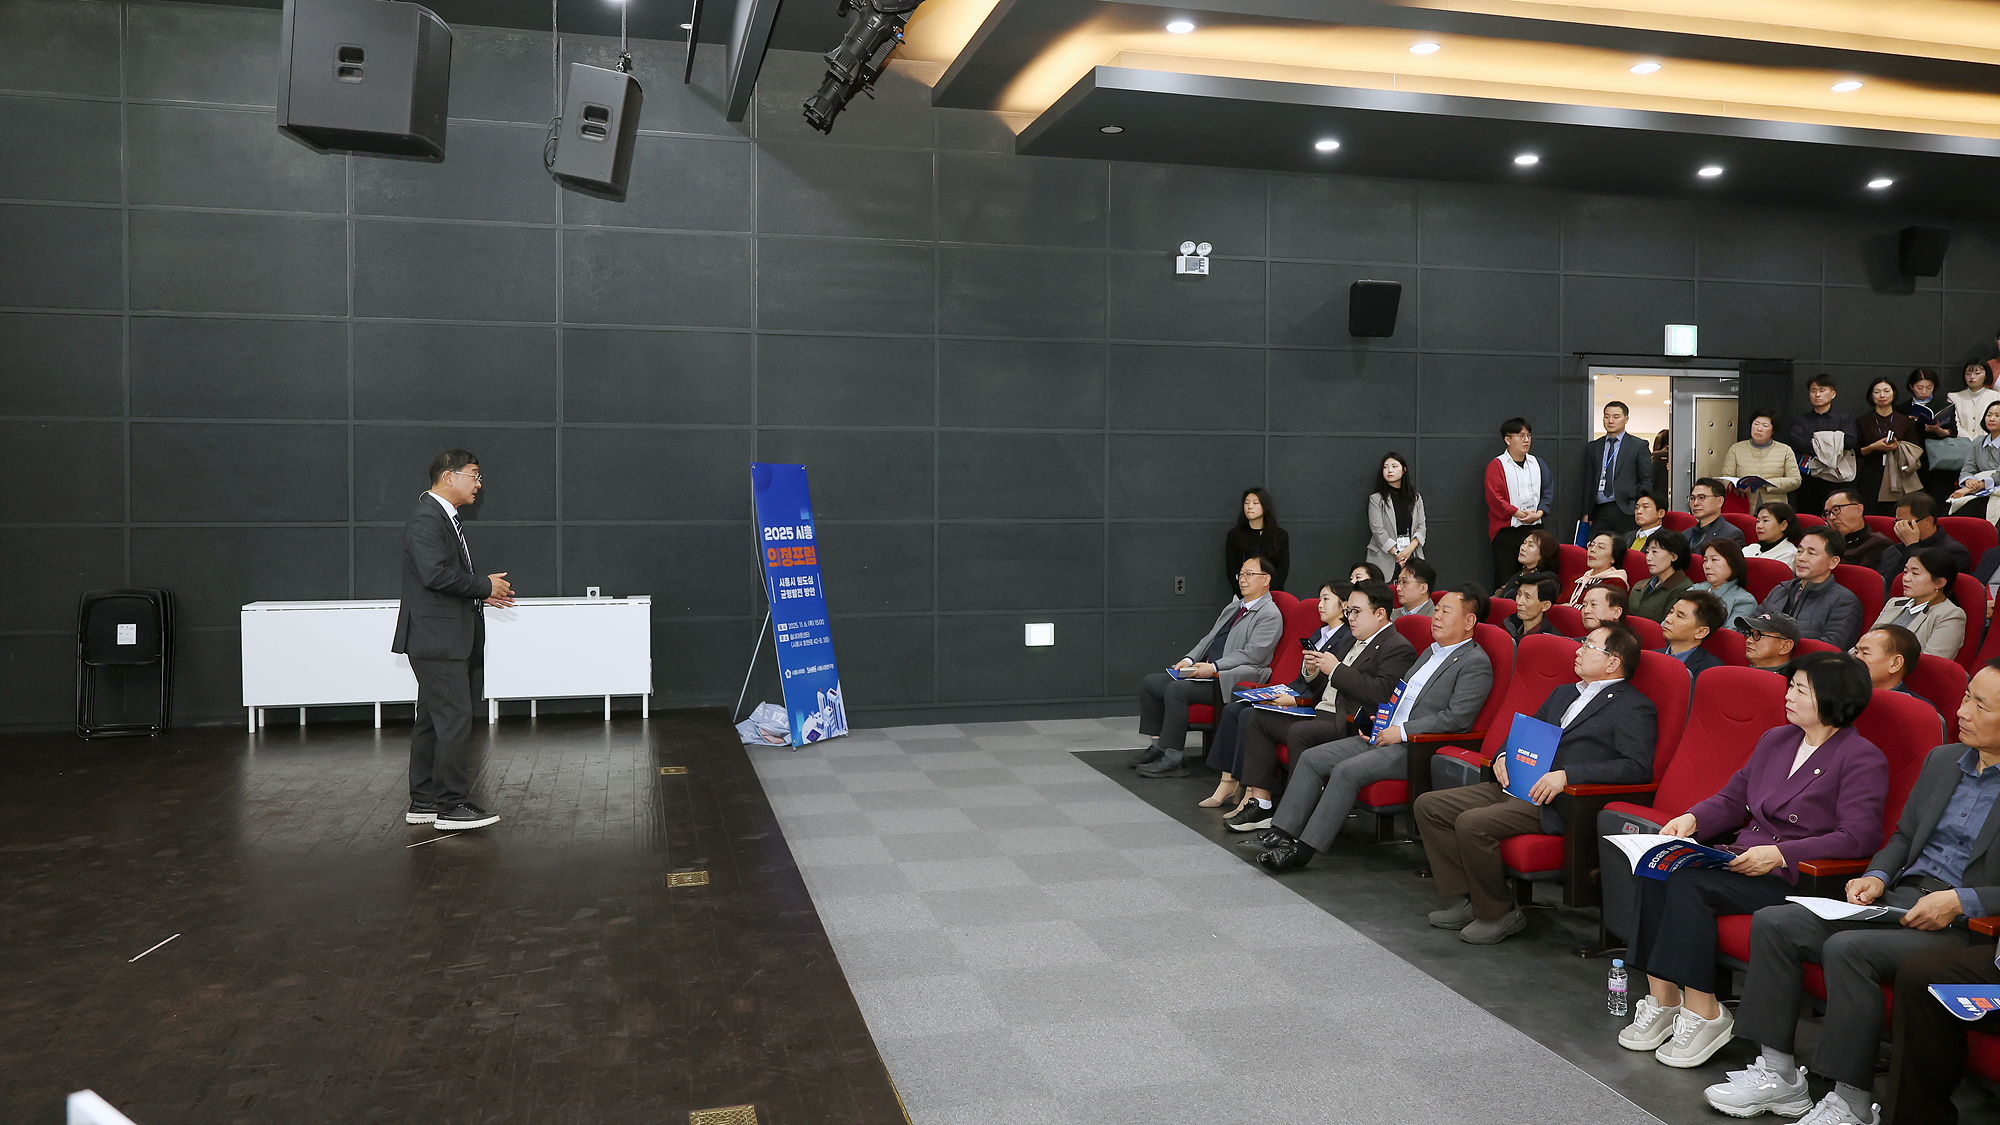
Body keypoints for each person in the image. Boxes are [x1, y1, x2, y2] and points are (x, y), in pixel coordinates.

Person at [1701, 662, 2000, 1125]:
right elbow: (1903, 836)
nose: (1962, 712)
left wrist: (1964, 901)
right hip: (1901, 897)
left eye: (1981, 706)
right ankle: (1778, 1074)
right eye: (1965, 698)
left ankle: (1851, 1101)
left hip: (1964, 923)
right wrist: (1877, 875)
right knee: (1777, 922)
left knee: (1848, 949)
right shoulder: (1943, 761)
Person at [1615, 653, 1885, 1072]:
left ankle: (1705, 1012)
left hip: (1796, 877)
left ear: (1834, 698)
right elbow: (1732, 798)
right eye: (1790, 686)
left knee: (1688, 884)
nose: (1788, 695)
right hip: (1744, 859)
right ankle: (1664, 999)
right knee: (1658, 866)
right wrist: (1692, 820)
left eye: (1801, 690)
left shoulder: (1860, 756)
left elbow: (1858, 836)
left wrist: (1781, 853)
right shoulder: (1777, 739)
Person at [1415, 624, 1657, 944]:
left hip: (1555, 801)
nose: (1578, 650)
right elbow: (1526, 734)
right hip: (1518, 784)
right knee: (1429, 805)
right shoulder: (1564, 693)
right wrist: (1503, 755)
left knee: (1472, 823)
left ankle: (1499, 912)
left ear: (1613, 662)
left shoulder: (1633, 706)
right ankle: (1470, 899)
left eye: (1589, 646)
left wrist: (1569, 774)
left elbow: (1636, 767)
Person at [1251, 586, 1493, 870]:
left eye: (1445, 611)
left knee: (1345, 771)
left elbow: (1456, 718)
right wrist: (1379, 723)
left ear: (1469, 621)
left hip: (1415, 747)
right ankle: (1282, 832)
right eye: (1436, 609)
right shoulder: (1430, 652)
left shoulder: (1475, 662)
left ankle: (1302, 851)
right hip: (1384, 734)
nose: (1436, 616)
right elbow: (1398, 696)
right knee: (1311, 758)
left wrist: (1401, 731)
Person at [1216, 582, 1418, 824]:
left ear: (1380, 613)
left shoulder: (1397, 647)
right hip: (1320, 711)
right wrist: (1313, 671)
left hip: (1349, 720)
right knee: (1256, 718)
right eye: (1349, 611)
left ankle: (1296, 815)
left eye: (1356, 612)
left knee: (1300, 732)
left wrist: (1336, 669)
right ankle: (1261, 802)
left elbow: (1382, 693)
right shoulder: (1351, 640)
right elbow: (1325, 685)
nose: (1350, 618)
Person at [392, 449, 513, 831]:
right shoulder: (427, 518)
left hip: (438, 637)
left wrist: (480, 592)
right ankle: (450, 805)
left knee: (433, 720)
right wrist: (482, 586)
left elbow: (440, 578)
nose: (479, 484)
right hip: (437, 639)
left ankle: (425, 801)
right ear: (449, 476)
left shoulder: (440, 517)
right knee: (454, 720)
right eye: (474, 475)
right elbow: (435, 574)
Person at [1195, 581, 1353, 804]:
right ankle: (1228, 781)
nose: (1320, 604)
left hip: (1310, 703)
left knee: (1249, 715)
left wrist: (1297, 699)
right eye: (1319, 599)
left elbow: (1329, 685)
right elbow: (1302, 676)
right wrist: (1283, 690)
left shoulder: (1347, 638)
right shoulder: (1319, 633)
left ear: (1344, 605)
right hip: (1296, 690)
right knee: (1233, 709)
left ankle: (1250, 791)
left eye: (1326, 599)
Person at [1132, 557, 1283, 774]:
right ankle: (1158, 747)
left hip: (1231, 677)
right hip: (1208, 671)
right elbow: (1209, 639)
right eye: (1241, 574)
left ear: (1266, 579)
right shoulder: (1234, 607)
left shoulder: (1270, 614)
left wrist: (1214, 668)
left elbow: (1253, 655)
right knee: (1151, 684)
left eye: (1249, 574)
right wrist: (1189, 660)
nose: (1243, 580)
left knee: (1176, 690)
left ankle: (1174, 758)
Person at [1757, 527, 1865, 650]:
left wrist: (1776, 647)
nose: (1801, 558)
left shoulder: (1844, 601)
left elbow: (1833, 646)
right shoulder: (1781, 590)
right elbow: (1748, 626)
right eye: (1799, 551)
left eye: (1811, 553)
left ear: (1833, 562)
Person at [1485, 417, 1553, 588]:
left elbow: (1548, 490)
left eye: (1528, 435)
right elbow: (1495, 498)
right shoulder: (1497, 465)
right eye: (1521, 436)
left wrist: (1539, 513)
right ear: (1507, 440)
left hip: (1535, 529)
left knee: (1537, 579)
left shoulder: (1537, 463)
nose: (1526, 440)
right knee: (1505, 579)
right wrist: (1518, 513)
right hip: (1507, 531)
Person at [1875, 548, 1968, 660]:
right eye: (1905, 572)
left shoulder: (1950, 615)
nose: (1906, 578)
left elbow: (1931, 662)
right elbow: (1867, 641)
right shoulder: (1894, 603)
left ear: (1939, 582)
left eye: (1915, 573)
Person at [1790, 373, 1858, 521]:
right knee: (1809, 519)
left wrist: (1817, 442)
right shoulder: (1801, 420)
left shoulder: (1844, 418)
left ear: (1833, 394)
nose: (1817, 394)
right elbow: (1797, 443)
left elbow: (1850, 442)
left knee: (1839, 518)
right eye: (1813, 391)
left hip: (1837, 477)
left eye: (1822, 390)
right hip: (1809, 478)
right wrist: (1834, 441)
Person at [1585, 400, 1654, 535]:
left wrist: (1640, 507)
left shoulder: (1638, 445)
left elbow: (1646, 480)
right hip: (1599, 510)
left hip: (1627, 509)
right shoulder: (1593, 447)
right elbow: (1588, 481)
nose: (1610, 421)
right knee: (1594, 543)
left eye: (1616, 417)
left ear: (1626, 419)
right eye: (1606, 416)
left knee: (1626, 546)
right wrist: (1586, 512)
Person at [1855, 377, 1922, 517]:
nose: (1882, 395)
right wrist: (1874, 446)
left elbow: (1915, 447)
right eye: (1877, 392)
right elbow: (1857, 451)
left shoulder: (1905, 421)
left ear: (1894, 393)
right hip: (1872, 475)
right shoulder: (1863, 421)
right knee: (1872, 514)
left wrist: (1899, 446)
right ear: (1871, 395)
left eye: (1886, 391)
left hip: (1900, 474)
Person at [1877, 491, 1968, 579]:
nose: (1899, 527)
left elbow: (1932, 583)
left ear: (1928, 522)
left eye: (1905, 523)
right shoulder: (1893, 551)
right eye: (1897, 522)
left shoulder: (1954, 552)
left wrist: (1911, 546)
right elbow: (1884, 583)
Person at [1721, 411, 1801, 509]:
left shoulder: (1785, 450)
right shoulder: (1736, 449)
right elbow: (1726, 478)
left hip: (1775, 506)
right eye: (1756, 424)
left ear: (1773, 430)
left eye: (1765, 426)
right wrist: (1737, 486)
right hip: (1744, 504)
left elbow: (1795, 480)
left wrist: (1768, 484)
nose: (1759, 429)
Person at [1366, 453, 1426, 580]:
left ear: (1403, 470)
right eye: (1385, 467)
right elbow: (1378, 530)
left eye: (1394, 466)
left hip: (1411, 554)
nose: (1389, 470)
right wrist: (1398, 553)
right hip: (1384, 557)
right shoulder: (1376, 499)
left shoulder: (1415, 498)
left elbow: (1421, 527)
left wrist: (1408, 550)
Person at [1907, 367, 1957, 507]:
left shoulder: (1944, 406)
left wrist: (1937, 429)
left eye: (1929, 388)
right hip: (1913, 459)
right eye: (1920, 388)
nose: (1924, 392)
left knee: (1938, 500)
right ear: (1911, 386)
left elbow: (1952, 433)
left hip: (1939, 460)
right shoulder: (1903, 408)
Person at [1225, 488, 1289, 594]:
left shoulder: (1279, 535)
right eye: (1246, 503)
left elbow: (1282, 568)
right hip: (1243, 594)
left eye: (1255, 503)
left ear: (1265, 506)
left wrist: (1266, 593)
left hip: (1272, 594)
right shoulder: (1234, 535)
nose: (1250, 507)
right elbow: (1232, 568)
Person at [1630, 531, 1696, 622]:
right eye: (1647, 552)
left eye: (1654, 551)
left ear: (1674, 556)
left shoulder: (1684, 589)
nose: (1648, 558)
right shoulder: (1640, 586)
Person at [1822, 486, 1892, 570]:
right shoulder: (1825, 542)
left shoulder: (1877, 544)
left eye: (1836, 510)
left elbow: (1863, 576)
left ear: (1859, 509)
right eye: (1827, 514)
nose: (1831, 517)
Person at [1660, 591, 1726, 676]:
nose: (1668, 619)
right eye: (1671, 612)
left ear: (1701, 632)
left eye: (1679, 616)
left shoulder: (1711, 671)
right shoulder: (1650, 657)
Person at [1699, 539, 1758, 625]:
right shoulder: (1697, 588)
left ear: (1733, 563)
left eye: (1714, 559)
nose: (1707, 566)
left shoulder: (1744, 601)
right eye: (1705, 560)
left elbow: (1731, 632)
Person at [1851, 625, 1920, 698]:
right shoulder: (1846, 693)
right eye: (1856, 652)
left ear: (1895, 663)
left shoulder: (1913, 704)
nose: (1856, 658)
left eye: (1865, 653)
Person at [1566, 530, 1631, 606]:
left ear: (1614, 557)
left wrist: (1571, 608)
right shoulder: (1578, 579)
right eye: (1591, 545)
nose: (1592, 550)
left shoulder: (1615, 584)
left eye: (1600, 547)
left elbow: (1599, 610)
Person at [1495, 528, 1563, 601]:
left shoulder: (1545, 581)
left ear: (1544, 553)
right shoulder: (1518, 575)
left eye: (1530, 545)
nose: (1523, 548)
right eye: (1524, 543)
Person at [1685, 478, 1747, 555]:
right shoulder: (1685, 534)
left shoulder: (1731, 535)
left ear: (1720, 501)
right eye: (1692, 498)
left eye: (1702, 497)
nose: (1695, 503)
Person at [1739, 612, 1803, 672]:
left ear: (1785, 647)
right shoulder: (1739, 674)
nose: (1748, 640)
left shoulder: (1797, 679)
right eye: (1749, 634)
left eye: (1758, 635)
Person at [1743, 501, 1803, 566]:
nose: (1759, 526)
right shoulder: (1751, 548)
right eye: (1758, 521)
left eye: (1765, 520)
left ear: (1783, 525)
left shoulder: (1789, 554)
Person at [1505, 573, 1561, 640]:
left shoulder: (1551, 640)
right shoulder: (1511, 624)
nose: (1519, 602)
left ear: (1545, 606)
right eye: (1519, 594)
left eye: (1528, 597)